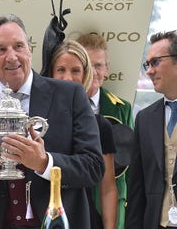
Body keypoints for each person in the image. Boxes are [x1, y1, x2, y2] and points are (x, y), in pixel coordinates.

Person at [0, 14, 105, 229]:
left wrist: (45, 163)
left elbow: (94, 167)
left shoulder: (70, 95)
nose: (12, 56)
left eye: (18, 46)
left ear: (30, 50)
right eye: (0, 49)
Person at [47, 40, 117, 229]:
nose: (68, 78)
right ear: (51, 73)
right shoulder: (35, 121)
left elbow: (108, 188)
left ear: (86, 75)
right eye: (61, 69)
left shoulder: (100, 125)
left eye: (76, 71)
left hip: (84, 220)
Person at [76, 33, 134, 229]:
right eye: (87, 65)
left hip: (112, 203)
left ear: (107, 69)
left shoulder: (122, 108)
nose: (93, 72)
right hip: (75, 203)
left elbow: (130, 162)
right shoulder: (62, 106)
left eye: (98, 65)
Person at [126, 30, 177, 229]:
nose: (149, 71)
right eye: (147, 64)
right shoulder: (145, 119)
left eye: (156, 62)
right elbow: (136, 189)